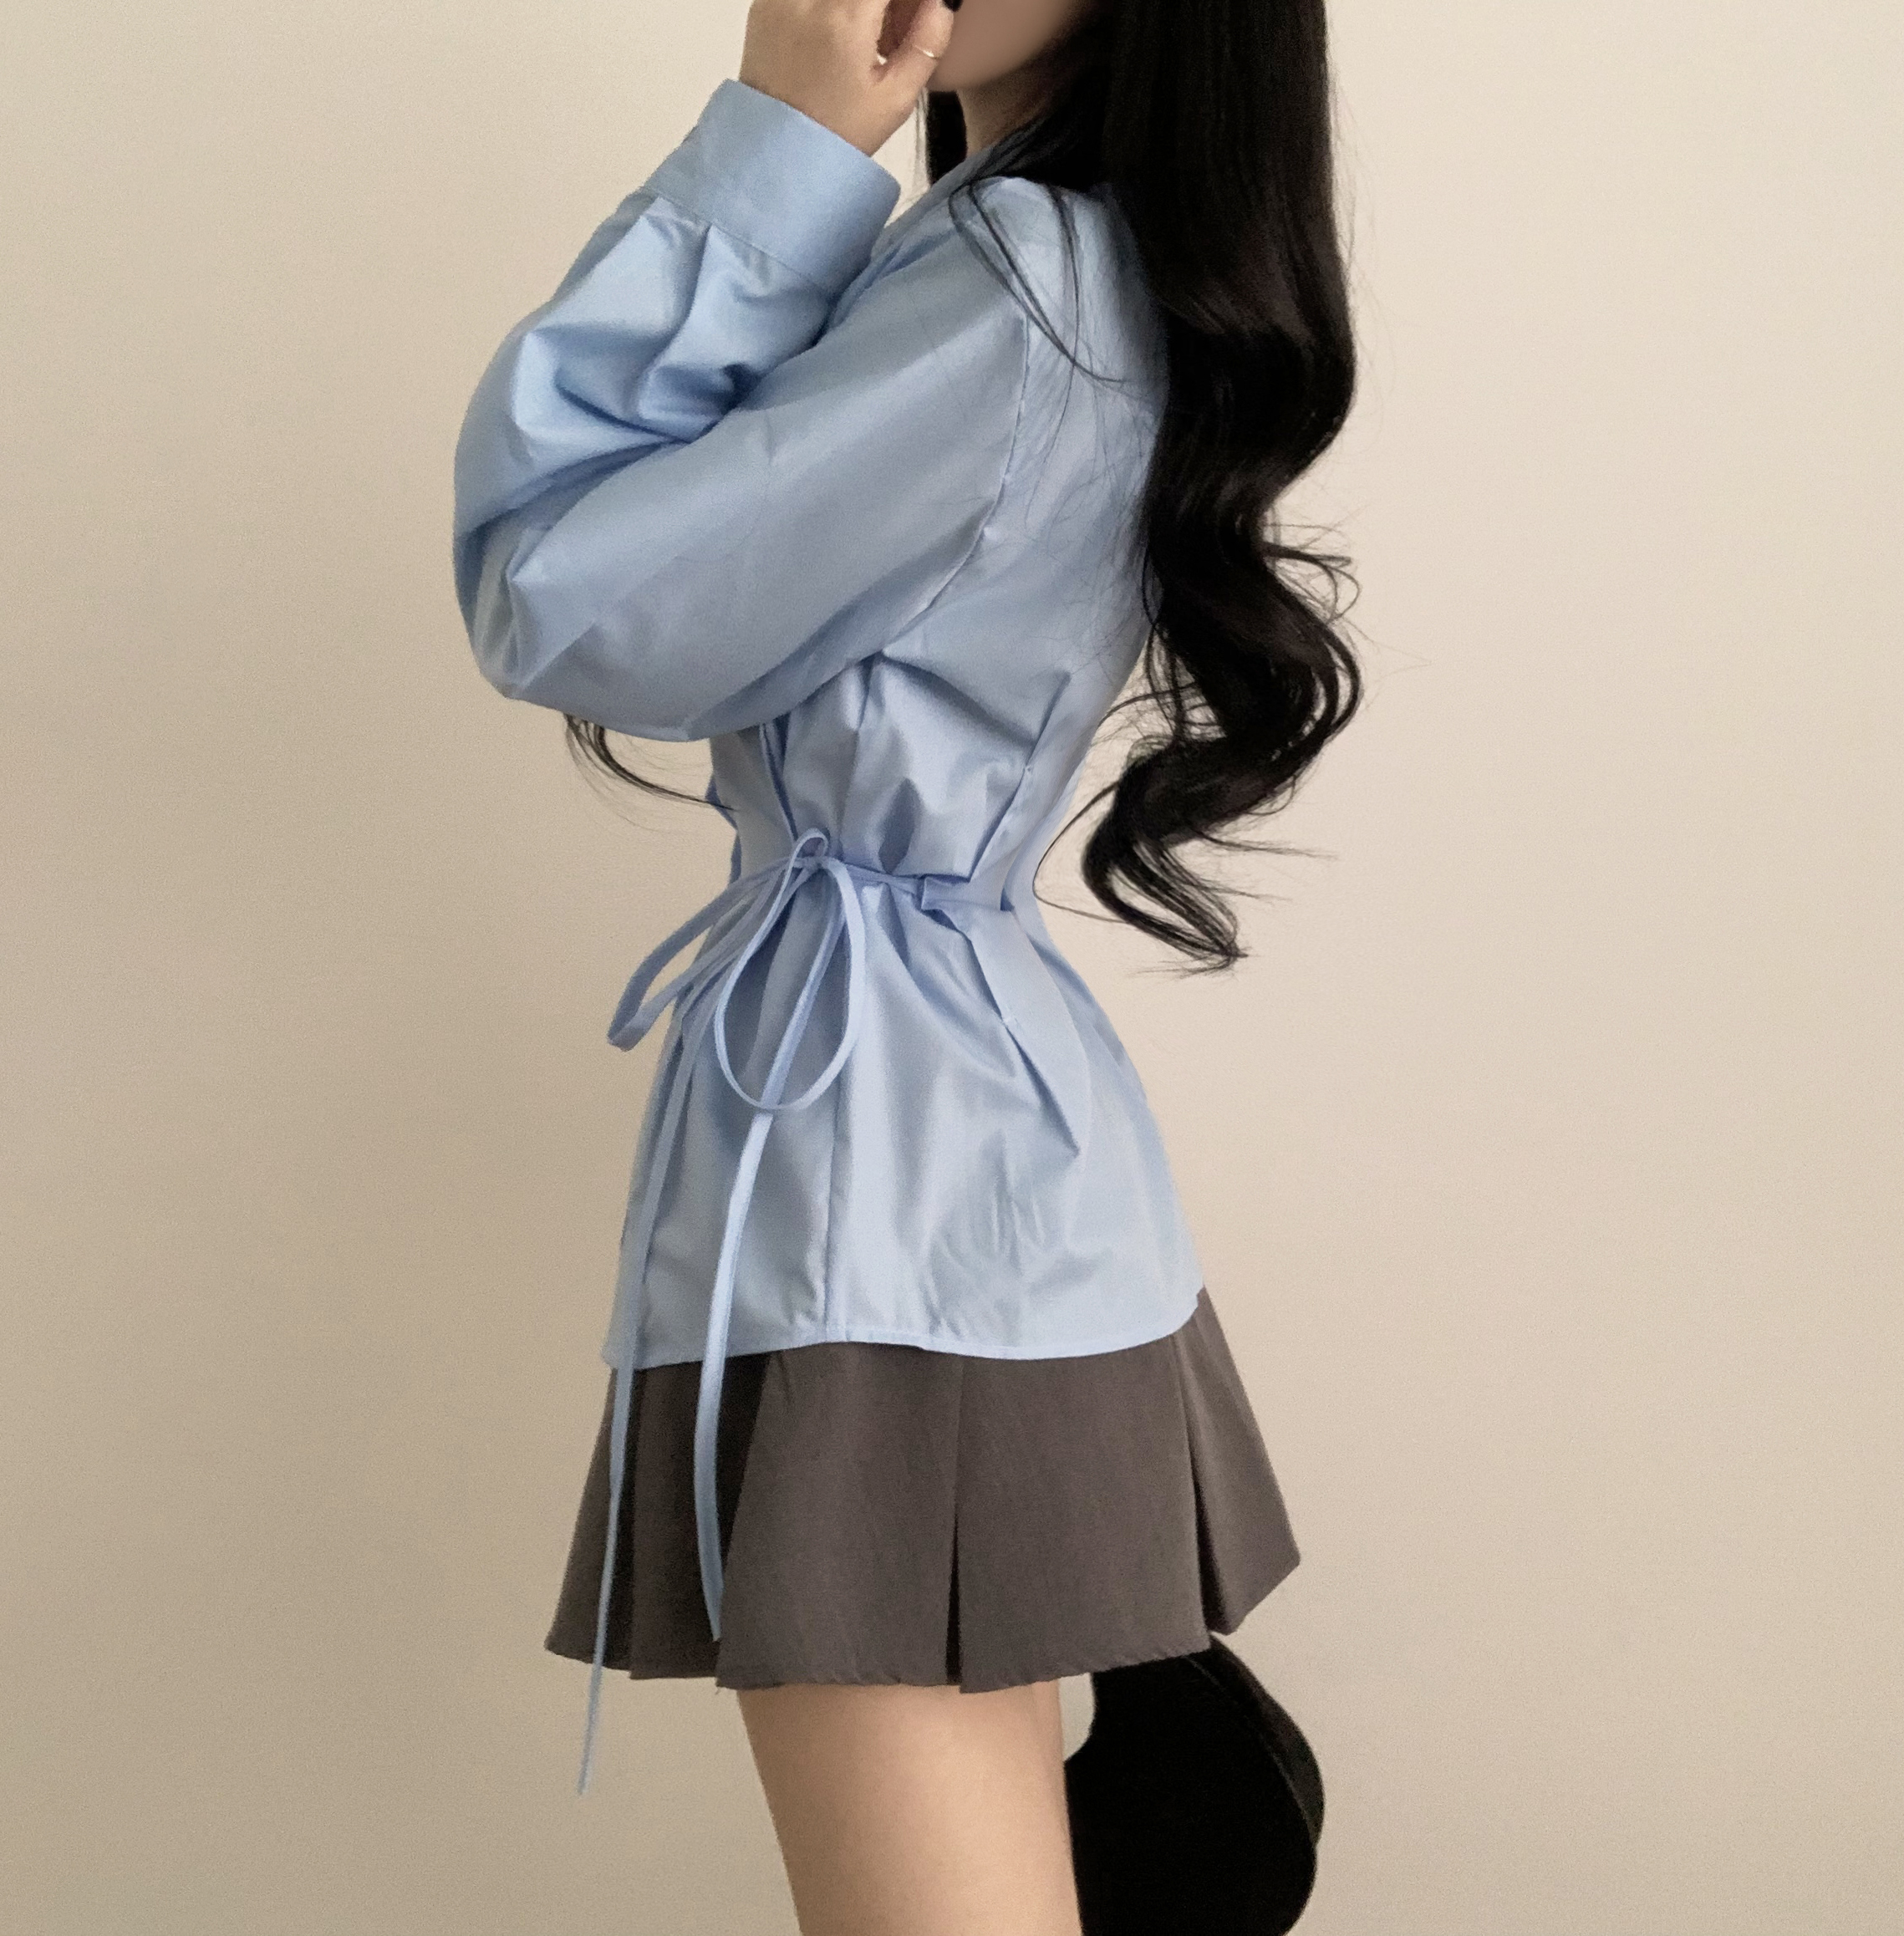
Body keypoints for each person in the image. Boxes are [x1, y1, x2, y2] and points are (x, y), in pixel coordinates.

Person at [451, 0, 1357, 1928]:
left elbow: (558, 589)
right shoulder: (1053, 257)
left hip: (885, 1195)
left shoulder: (1019, 276)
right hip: (956, 1169)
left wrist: (775, 150)